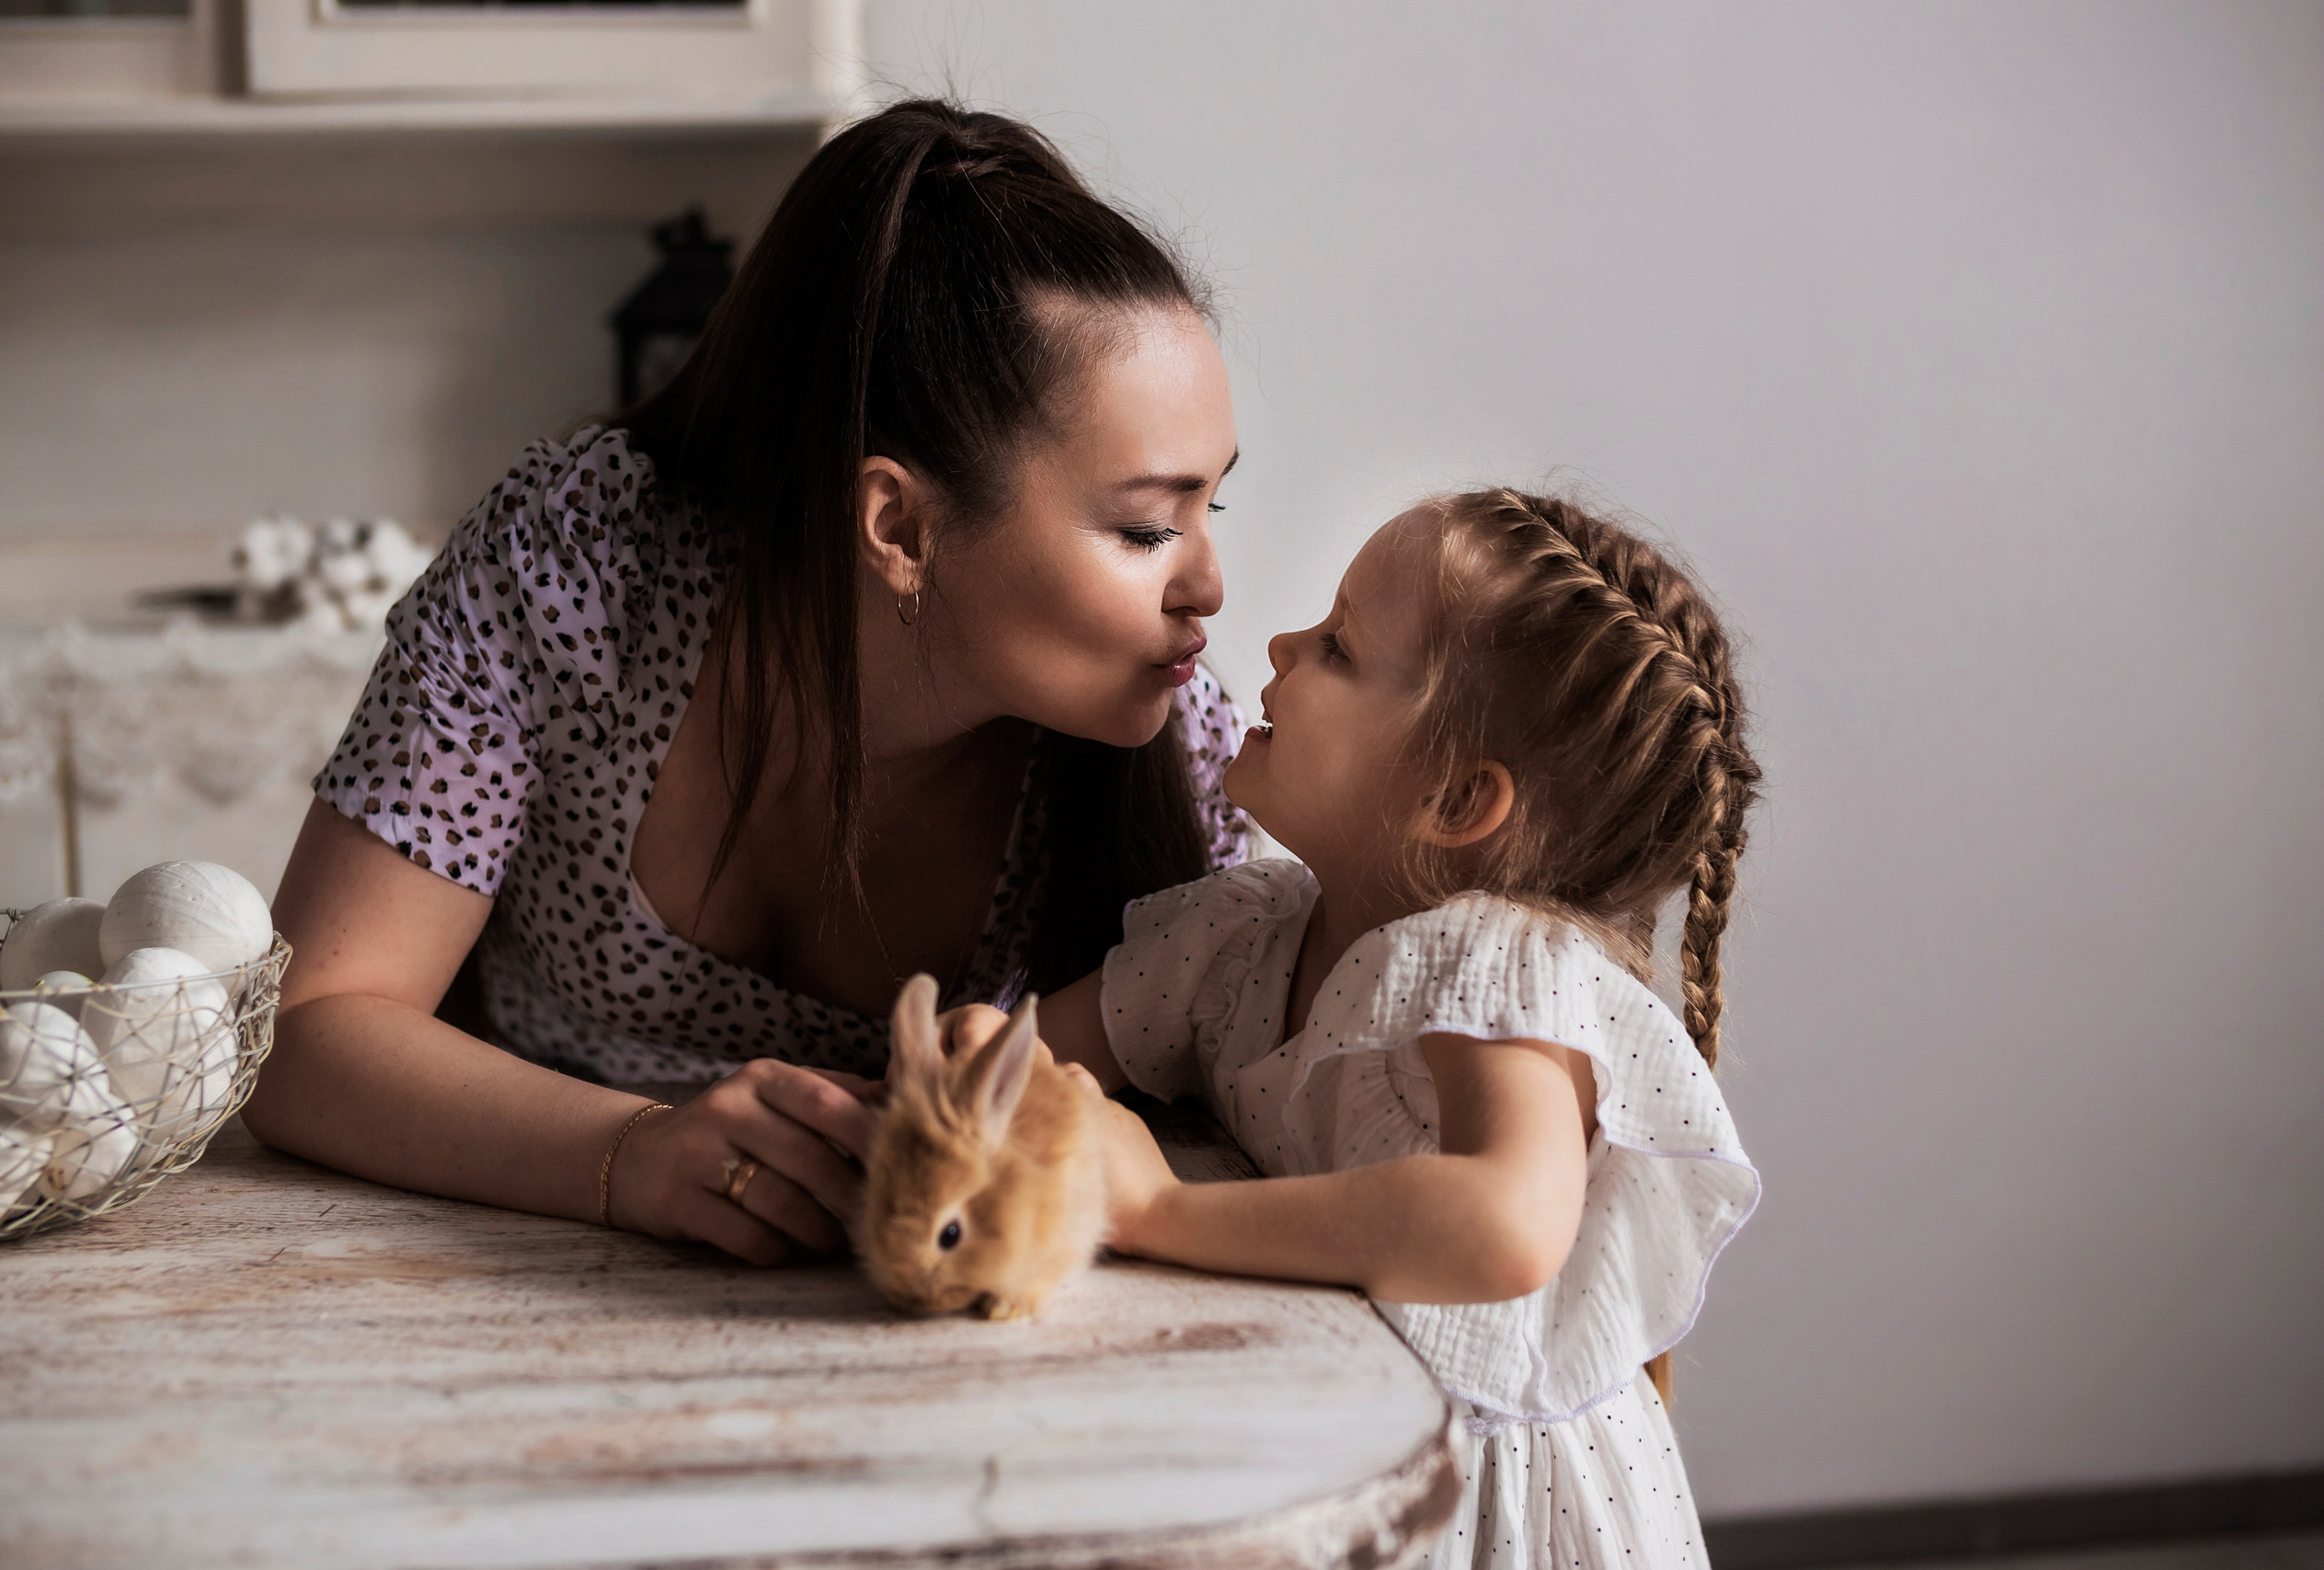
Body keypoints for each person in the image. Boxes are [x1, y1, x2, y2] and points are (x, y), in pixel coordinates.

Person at [244, 98, 1253, 1267]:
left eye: (1208, 506)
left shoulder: (1182, 743)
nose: (1210, 589)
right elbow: (306, 1028)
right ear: (900, 525)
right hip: (489, 1265)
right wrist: (632, 1154)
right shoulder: (577, 563)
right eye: (1143, 529)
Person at [1023, 489, 1763, 1566]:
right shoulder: (1239, 939)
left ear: (1458, 801)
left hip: (1477, 1510)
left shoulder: (1499, 966)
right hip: (1323, 1446)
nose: (1276, 642)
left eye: (1337, 646)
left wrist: (1153, 1210)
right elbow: (1012, 1057)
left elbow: (1500, 1225)